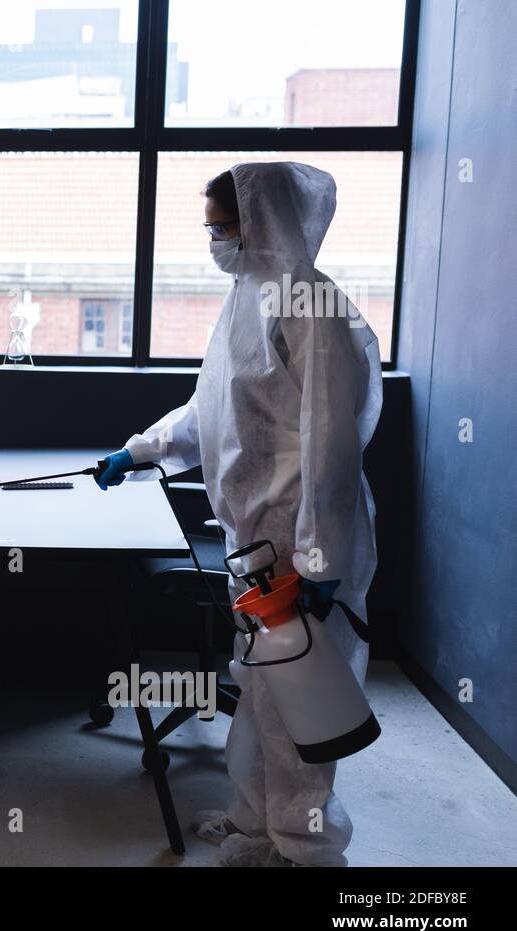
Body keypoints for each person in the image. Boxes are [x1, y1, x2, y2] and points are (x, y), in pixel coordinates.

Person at [95, 163, 381, 866]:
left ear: (259, 222)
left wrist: (320, 560)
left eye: (222, 226)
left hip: (295, 538)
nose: (214, 240)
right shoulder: (247, 299)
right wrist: (141, 451)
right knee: (258, 688)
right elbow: (211, 410)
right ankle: (256, 825)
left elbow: (330, 448)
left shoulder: (311, 308)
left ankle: (305, 848)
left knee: (300, 702)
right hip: (251, 536)